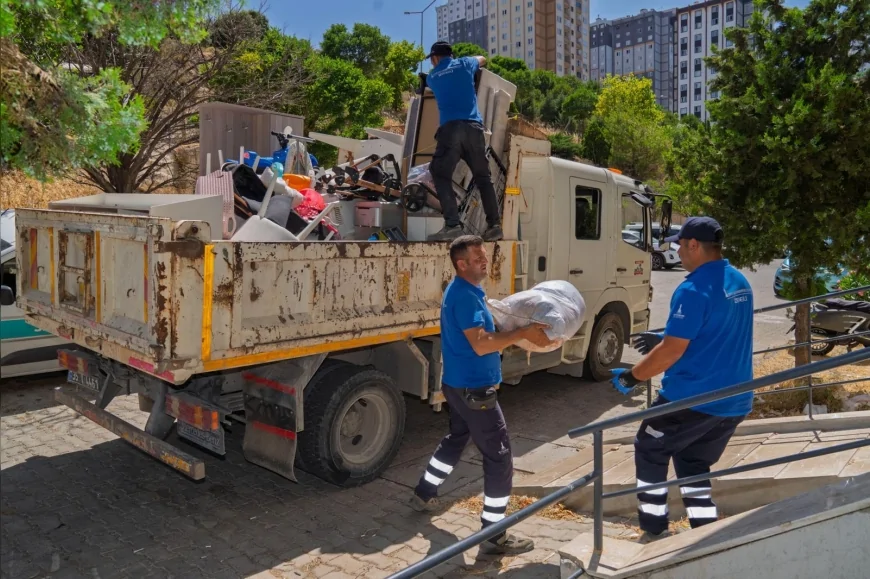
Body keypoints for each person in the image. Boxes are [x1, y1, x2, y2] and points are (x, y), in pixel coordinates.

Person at [610, 217, 754, 541]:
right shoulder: (738, 281)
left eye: (679, 244)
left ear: (693, 245)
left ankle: (654, 529)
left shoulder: (692, 288)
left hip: (693, 399)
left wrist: (633, 376)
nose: (677, 250)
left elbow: (671, 352)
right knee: (692, 463)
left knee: (648, 447)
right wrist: (663, 334)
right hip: (735, 400)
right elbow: (715, 327)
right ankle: (705, 533)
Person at [409, 235, 552, 555]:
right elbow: (482, 343)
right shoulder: (464, 296)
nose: (485, 262)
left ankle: (423, 492)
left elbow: (485, 333)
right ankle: (494, 533)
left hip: (459, 385)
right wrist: (520, 334)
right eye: (478, 258)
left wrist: (517, 325)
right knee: (499, 458)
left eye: (485, 256)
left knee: (457, 437)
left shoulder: (467, 292)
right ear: (461, 264)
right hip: (475, 389)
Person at [423, 42, 503, 242]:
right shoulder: (465, 63)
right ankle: (494, 226)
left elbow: (432, 85)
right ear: (451, 54)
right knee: (483, 178)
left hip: (450, 131)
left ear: (434, 58)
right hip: (474, 130)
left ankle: (452, 225)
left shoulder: (432, 77)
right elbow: (482, 59)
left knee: (440, 172)